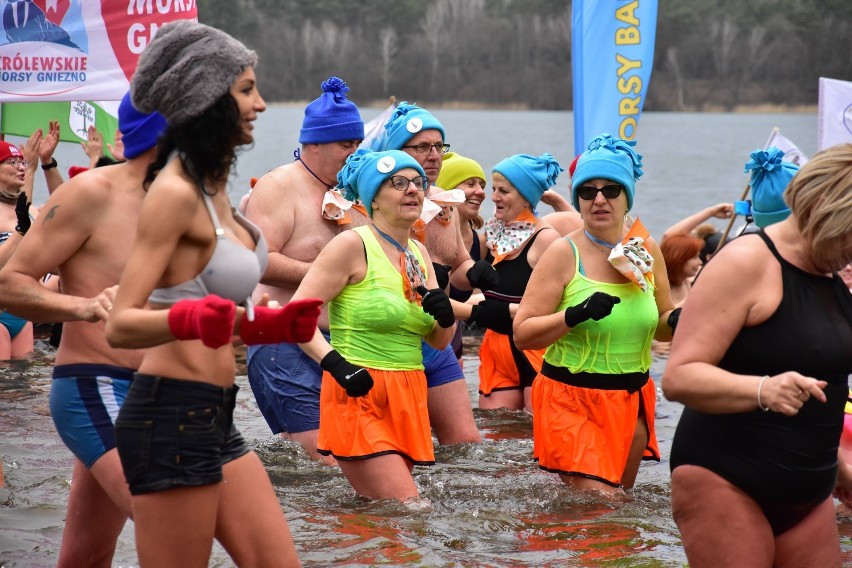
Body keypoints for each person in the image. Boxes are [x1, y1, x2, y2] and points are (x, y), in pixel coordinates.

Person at [104, 21, 318, 567]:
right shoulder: (173, 192)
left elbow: (212, 305)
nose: (262, 103)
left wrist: (267, 325)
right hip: (169, 413)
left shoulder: (213, 186)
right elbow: (122, 321)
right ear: (205, 98)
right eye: (246, 89)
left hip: (216, 412)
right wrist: (194, 319)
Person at [662, 144, 852, 567]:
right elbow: (678, 377)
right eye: (850, 234)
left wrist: (838, 466)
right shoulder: (747, 261)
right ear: (822, 211)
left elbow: (827, 382)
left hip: (810, 483)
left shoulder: (830, 276)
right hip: (727, 475)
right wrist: (764, 389)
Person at [0, 92, 167, 566]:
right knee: (171, 516)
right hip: (98, 382)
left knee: (86, 554)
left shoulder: (193, 202)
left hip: (166, 388)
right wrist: (84, 306)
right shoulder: (94, 193)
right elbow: (8, 284)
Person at [513, 133, 677, 495]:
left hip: (631, 400)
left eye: (611, 190)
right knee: (603, 506)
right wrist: (573, 315)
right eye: (587, 192)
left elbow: (663, 325)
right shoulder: (562, 252)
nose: (599, 199)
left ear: (626, 196)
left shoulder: (646, 247)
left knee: (615, 520)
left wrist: (678, 320)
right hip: (571, 399)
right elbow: (522, 333)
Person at [291, 148, 456, 501]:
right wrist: (337, 365)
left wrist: (445, 316)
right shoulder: (351, 245)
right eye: (398, 183)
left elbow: (440, 342)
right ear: (374, 199)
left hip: (408, 393)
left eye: (417, 182)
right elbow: (296, 318)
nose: (412, 190)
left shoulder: (417, 253)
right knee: (409, 512)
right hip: (359, 390)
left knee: (385, 527)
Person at [245, 76, 367, 464]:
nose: (355, 153)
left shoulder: (354, 192)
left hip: (340, 342)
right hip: (282, 339)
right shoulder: (279, 185)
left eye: (358, 143)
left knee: (353, 458)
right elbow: (259, 260)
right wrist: (327, 273)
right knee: (326, 464)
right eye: (346, 144)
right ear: (313, 144)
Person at [378, 101, 495, 445]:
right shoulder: (375, 204)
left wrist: (476, 273)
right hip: (389, 338)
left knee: (465, 444)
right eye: (421, 147)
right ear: (396, 152)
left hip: (437, 334)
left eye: (438, 147)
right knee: (402, 445)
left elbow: (459, 263)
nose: (433, 155)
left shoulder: (447, 205)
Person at [464, 153, 562, 411]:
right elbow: (461, 262)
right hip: (496, 348)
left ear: (525, 196)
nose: (493, 196)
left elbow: (561, 305)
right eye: (494, 189)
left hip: (536, 348)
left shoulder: (546, 238)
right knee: (496, 440)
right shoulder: (493, 232)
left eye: (503, 191)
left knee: (533, 440)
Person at [434, 151, 487, 361]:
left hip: (455, 344)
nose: (480, 192)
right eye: (471, 183)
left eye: (482, 185)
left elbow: (474, 291)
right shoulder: (428, 235)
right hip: (428, 340)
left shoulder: (480, 242)